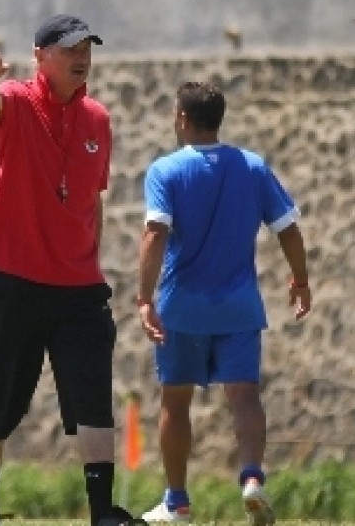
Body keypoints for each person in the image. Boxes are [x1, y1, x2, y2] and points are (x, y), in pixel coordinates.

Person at [0, 14, 134, 526]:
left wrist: (90, 258)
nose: (82, 57)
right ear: (40, 56)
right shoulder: (15, 100)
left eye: (87, 48)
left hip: (79, 286)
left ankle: (103, 512)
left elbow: (92, 199)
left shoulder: (97, 120)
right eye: (69, 49)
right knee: (3, 402)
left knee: (92, 394)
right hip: (13, 279)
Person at [137, 82, 311, 525]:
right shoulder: (252, 166)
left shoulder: (166, 170)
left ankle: (177, 501)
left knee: (175, 403)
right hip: (238, 305)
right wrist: (301, 280)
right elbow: (288, 228)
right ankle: (252, 477)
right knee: (245, 395)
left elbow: (155, 234)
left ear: (181, 119)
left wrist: (143, 297)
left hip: (183, 306)